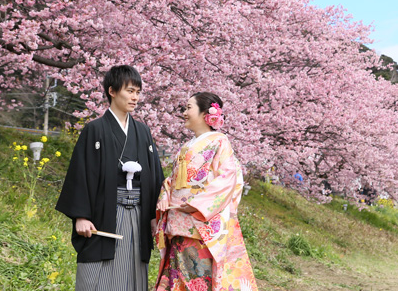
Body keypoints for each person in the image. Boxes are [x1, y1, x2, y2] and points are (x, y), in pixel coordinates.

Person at [56, 65, 164, 290]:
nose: (135, 97)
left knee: (132, 271)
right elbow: (81, 173)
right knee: (96, 272)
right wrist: (81, 216)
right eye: (130, 91)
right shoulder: (94, 130)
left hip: (137, 214)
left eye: (137, 92)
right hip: (104, 213)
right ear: (112, 91)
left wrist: (155, 215)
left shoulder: (143, 132)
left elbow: (155, 175)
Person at [154, 92, 258, 291]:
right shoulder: (186, 146)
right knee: (177, 278)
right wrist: (164, 197)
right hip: (178, 220)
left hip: (199, 222)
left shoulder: (219, 142)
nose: (184, 113)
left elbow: (228, 179)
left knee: (197, 280)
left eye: (188, 108)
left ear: (205, 114)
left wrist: (195, 205)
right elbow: (172, 180)